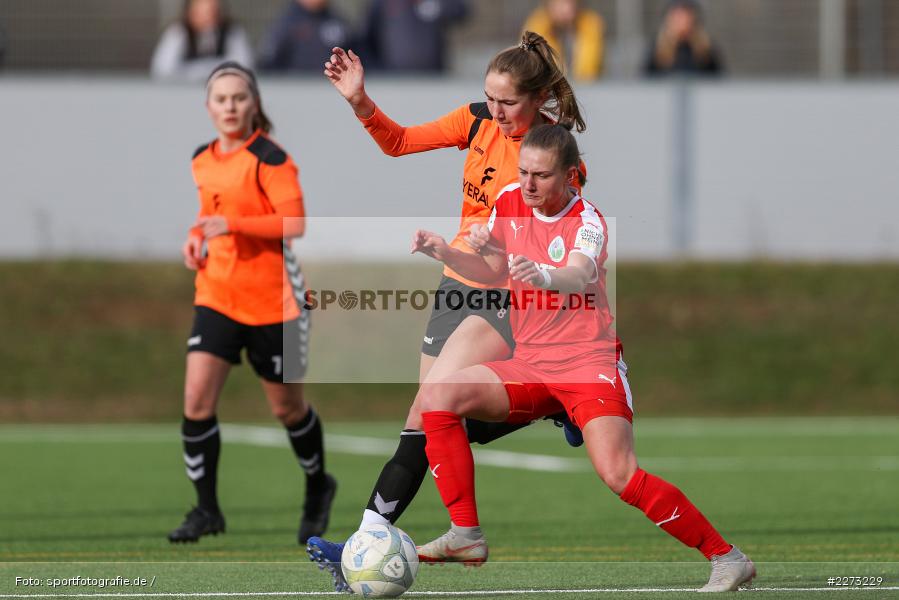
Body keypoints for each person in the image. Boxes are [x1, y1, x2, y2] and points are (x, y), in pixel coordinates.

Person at [411, 123, 756, 592]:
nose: (528, 184)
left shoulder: (587, 220)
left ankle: (727, 557)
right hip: (530, 362)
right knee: (437, 397)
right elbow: (491, 271)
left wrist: (542, 276)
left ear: (571, 176)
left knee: (619, 474)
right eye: (524, 172)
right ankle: (466, 533)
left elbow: (577, 274)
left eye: (542, 176)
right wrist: (445, 253)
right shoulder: (509, 201)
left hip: (586, 364)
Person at [306, 32, 587, 592]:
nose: (497, 110)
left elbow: (567, 223)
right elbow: (401, 142)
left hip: (505, 296)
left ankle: (365, 538)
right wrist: (359, 100)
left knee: (426, 410)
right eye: (490, 97)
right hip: (454, 285)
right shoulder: (477, 121)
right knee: (435, 423)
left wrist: (514, 240)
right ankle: (550, 402)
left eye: (508, 101)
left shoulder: (547, 152)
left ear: (537, 99)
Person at [168, 61, 337, 545]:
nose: (230, 107)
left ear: (254, 103)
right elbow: (209, 217)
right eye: (220, 99)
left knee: (288, 410)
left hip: (275, 304)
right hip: (217, 294)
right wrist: (195, 237)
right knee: (196, 400)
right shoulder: (202, 157)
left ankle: (317, 487)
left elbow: (295, 224)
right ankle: (206, 510)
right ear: (208, 107)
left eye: (239, 98)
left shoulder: (271, 157)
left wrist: (233, 226)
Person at [150, 0, 254, 81]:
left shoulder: (232, 32)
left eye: (213, 11)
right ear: (190, 13)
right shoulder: (178, 33)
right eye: (202, 12)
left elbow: (245, 65)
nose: (208, 17)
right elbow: (162, 69)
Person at [359, 0, 469, 73]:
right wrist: (376, 69)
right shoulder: (382, 3)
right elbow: (368, 38)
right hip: (393, 76)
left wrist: (438, 6)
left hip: (432, 75)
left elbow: (461, 12)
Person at [258, 0, 351, 72]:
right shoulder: (285, 24)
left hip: (333, 91)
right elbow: (268, 64)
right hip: (295, 91)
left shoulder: (339, 22)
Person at [522, 0, 605, 81]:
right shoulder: (537, 25)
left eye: (571, 3)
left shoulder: (589, 24)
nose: (567, 8)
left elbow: (589, 71)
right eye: (561, 3)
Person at [643, 0, 723, 77]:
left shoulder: (707, 51)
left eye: (686, 16)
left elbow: (721, 82)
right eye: (678, 16)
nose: (683, 21)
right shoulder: (657, 50)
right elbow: (642, 83)